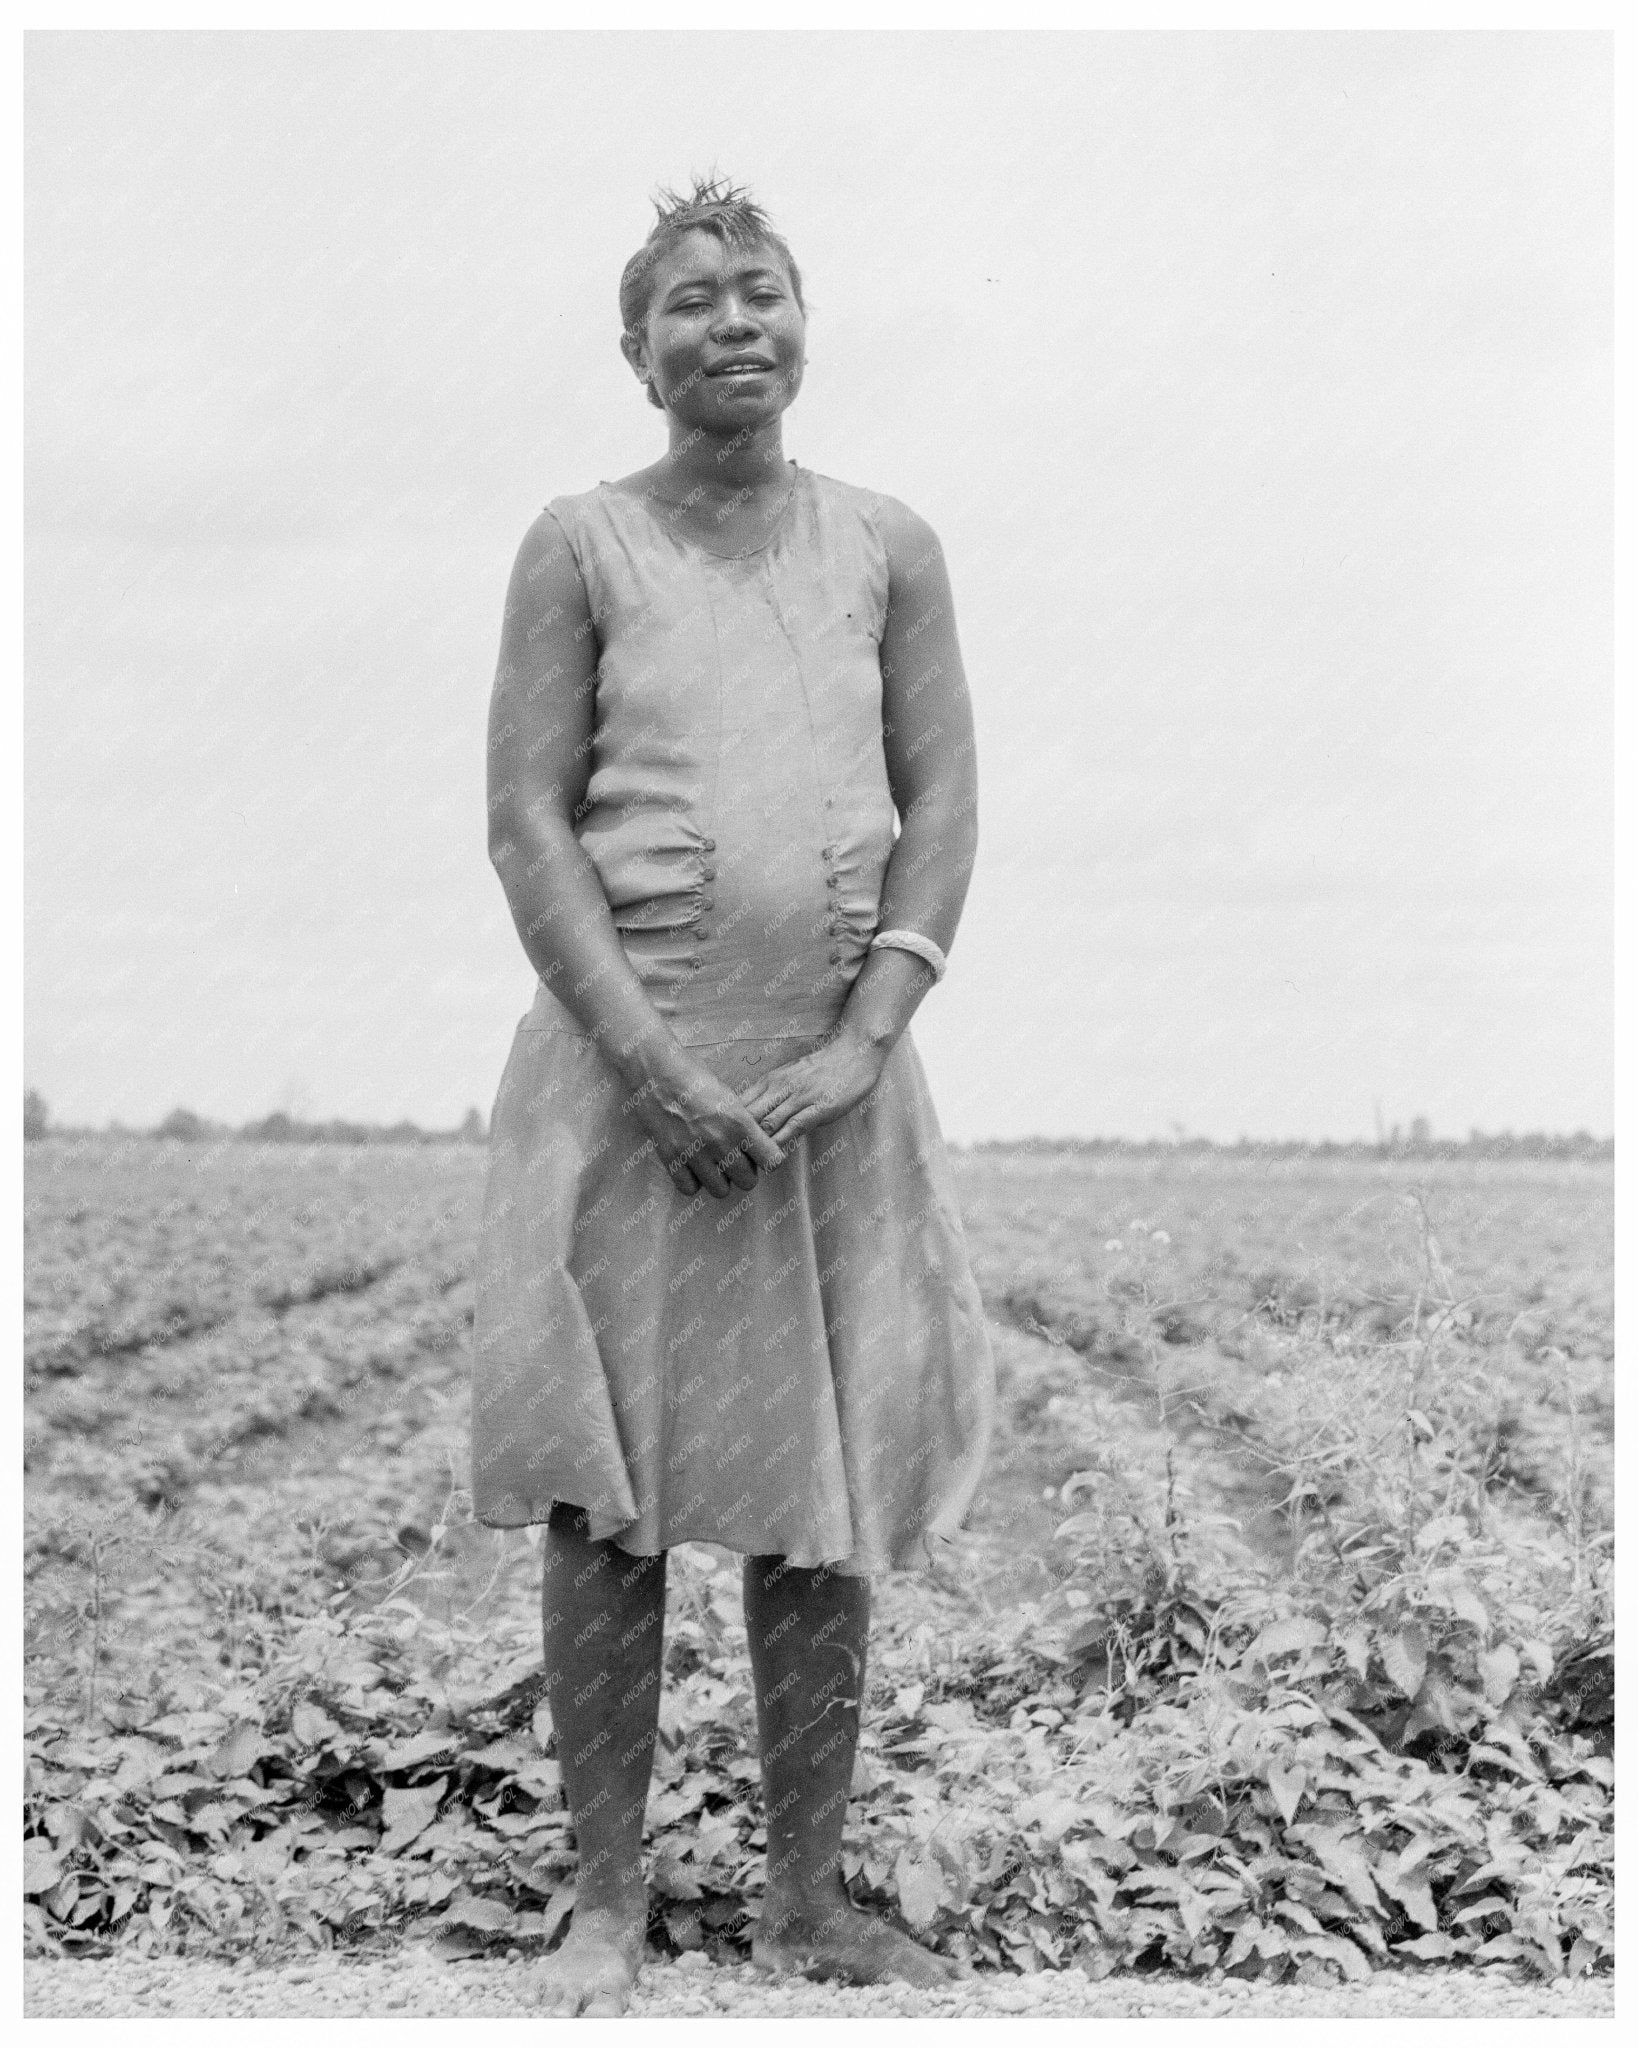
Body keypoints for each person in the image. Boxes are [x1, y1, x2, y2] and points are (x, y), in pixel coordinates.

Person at [473, 175, 995, 2017]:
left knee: (823, 1490)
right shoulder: (578, 545)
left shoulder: (886, 545)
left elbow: (942, 801)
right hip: (624, 1087)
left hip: (833, 1099)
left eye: (759, 291)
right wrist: (654, 1062)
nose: (732, 323)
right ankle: (602, 1902)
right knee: (603, 1505)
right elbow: (527, 817)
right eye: (688, 302)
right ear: (635, 353)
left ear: (805, 324)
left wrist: (864, 1035)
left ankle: (802, 1903)